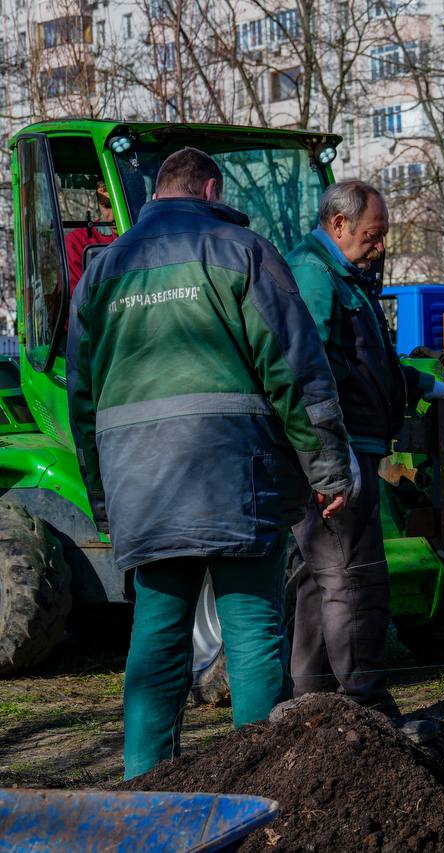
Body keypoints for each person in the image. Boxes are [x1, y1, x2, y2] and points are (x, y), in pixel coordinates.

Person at [66, 147, 353, 779]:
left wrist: (105, 501)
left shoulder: (104, 270)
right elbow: (296, 370)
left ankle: (147, 786)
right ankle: (253, 785)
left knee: (157, 636)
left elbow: (82, 400)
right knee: (252, 629)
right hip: (236, 477)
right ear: (212, 188)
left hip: (143, 486)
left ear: (155, 195)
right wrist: (328, 470)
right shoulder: (241, 253)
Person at [286, 180, 444, 716]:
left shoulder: (344, 278)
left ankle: (313, 698)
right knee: (355, 577)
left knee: (324, 579)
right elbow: (306, 369)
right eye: (373, 233)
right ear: (339, 225)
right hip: (336, 452)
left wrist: (424, 383)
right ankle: (366, 702)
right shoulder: (315, 277)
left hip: (349, 446)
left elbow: (366, 363)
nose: (381, 244)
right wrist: (329, 460)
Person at [65, 181, 117, 289]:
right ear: (97, 203)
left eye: (119, 206)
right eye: (106, 206)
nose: (112, 217)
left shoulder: (152, 237)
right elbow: (79, 301)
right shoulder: (77, 242)